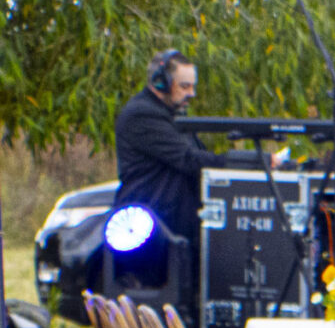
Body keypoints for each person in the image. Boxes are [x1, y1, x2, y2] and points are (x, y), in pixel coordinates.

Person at [111, 50, 282, 256]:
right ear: (160, 83)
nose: (192, 93)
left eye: (193, 86)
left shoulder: (173, 115)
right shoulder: (142, 114)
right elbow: (190, 160)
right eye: (185, 86)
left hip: (175, 227)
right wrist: (255, 161)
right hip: (153, 232)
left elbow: (199, 155)